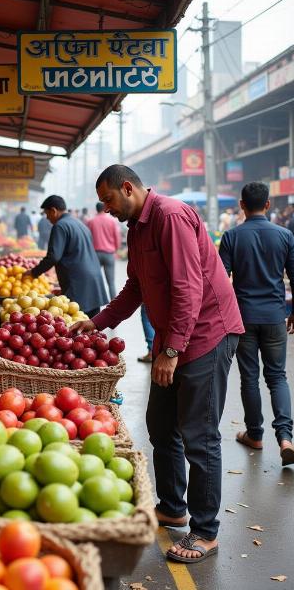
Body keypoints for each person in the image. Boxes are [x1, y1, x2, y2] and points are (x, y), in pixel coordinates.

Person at [72, 165, 243, 563]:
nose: (107, 209)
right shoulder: (137, 227)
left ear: (127, 188)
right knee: (161, 425)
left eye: (109, 200)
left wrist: (170, 351)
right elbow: (136, 287)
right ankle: (172, 506)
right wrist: (97, 321)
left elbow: (188, 286)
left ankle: (204, 531)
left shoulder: (170, 216)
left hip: (207, 333)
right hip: (176, 335)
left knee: (199, 436)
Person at [219, 182, 294, 467]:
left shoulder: (232, 237)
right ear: (268, 204)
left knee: (249, 378)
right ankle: (285, 438)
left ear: (241, 205)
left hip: (244, 318)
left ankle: (255, 434)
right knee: (277, 377)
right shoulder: (285, 235)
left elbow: (220, 281)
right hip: (275, 316)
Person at [28, 195, 107, 317]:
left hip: (78, 284)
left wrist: (34, 272)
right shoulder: (79, 223)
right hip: (93, 282)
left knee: (77, 325)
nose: (47, 218)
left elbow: (53, 257)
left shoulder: (60, 226)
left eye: (47, 214)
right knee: (92, 327)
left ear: (53, 210)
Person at [86, 202, 122, 300]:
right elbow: (117, 238)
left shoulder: (91, 221)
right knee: (111, 282)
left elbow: (88, 238)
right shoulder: (112, 221)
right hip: (109, 254)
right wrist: (116, 250)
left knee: (95, 280)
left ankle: (94, 301)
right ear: (104, 208)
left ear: (96, 209)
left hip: (95, 254)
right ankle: (114, 304)